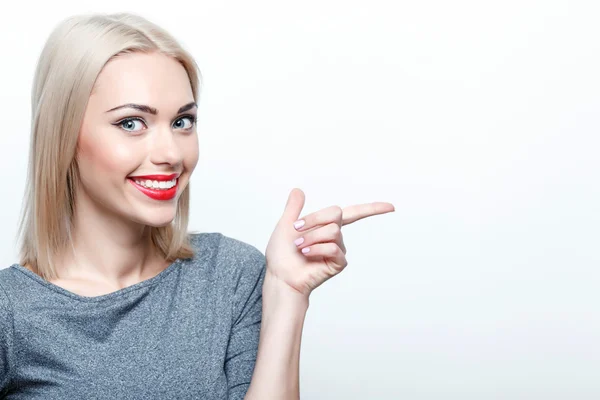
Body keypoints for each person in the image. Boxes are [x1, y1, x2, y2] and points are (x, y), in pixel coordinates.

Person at [0, 12, 395, 399]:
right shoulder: (11, 311)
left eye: (182, 122)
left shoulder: (232, 275)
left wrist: (287, 294)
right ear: (64, 135)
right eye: (131, 123)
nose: (171, 153)